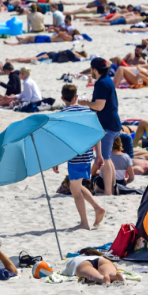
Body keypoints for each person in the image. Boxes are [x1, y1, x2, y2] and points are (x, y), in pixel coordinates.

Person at [53, 85, 105, 230]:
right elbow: (97, 133)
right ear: (76, 97)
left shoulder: (63, 114)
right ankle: (97, 208)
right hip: (88, 154)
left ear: (62, 98)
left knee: (75, 192)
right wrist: (99, 155)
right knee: (76, 186)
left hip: (75, 156)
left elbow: (59, 139)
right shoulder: (87, 111)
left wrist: (56, 160)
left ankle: (84, 223)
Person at [88, 58, 121, 195]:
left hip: (107, 125)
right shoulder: (108, 80)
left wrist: (86, 103)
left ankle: (109, 192)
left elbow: (99, 106)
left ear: (95, 70)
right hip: (114, 123)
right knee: (108, 158)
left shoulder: (101, 83)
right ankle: (113, 188)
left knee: (105, 160)